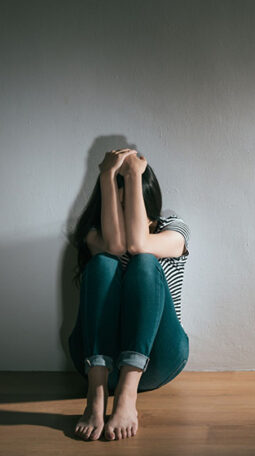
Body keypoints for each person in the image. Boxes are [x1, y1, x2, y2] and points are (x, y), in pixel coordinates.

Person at [68, 148, 191, 441]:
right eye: (119, 204)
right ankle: (96, 395)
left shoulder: (174, 228)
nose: (126, 213)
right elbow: (115, 246)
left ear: (146, 199)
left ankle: (127, 396)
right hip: (97, 362)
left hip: (158, 360)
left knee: (145, 261)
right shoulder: (94, 234)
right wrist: (106, 175)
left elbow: (137, 245)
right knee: (103, 263)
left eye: (133, 202)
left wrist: (134, 173)